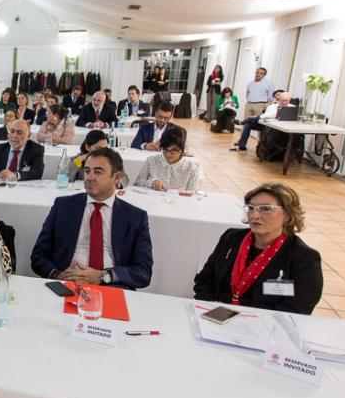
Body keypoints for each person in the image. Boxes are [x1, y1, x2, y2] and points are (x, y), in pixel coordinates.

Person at [30, 147, 153, 288]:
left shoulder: (135, 217)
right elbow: (38, 256)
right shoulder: (63, 206)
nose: (89, 177)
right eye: (87, 171)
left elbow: (143, 272)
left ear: (116, 177)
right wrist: (58, 275)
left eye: (98, 172)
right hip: (66, 283)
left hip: (112, 286)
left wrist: (103, 276)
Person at [194, 183, 322, 314]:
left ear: (288, 215)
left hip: (266, 324)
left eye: (265, 209)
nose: (255, 215)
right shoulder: (232, 238)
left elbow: (298, 309)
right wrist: (210, 306)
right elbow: (204, 280)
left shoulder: (304, 258)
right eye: (251, 208)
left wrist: (243, 316)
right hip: (217, 316)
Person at [137, 127, 200, 191]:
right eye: (165, 149)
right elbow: (137, 184)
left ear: (182, 149)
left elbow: (193, 194)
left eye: (174, 150)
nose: (168, 154)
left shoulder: (191, 168)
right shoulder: (151, 161)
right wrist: (151, 183)